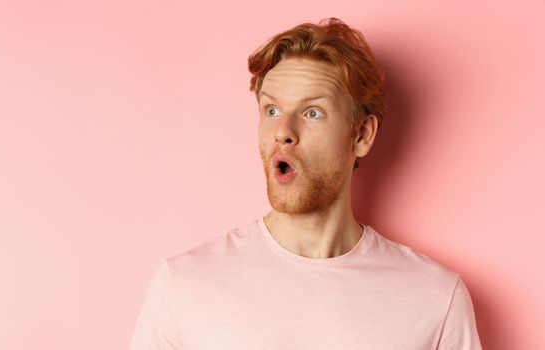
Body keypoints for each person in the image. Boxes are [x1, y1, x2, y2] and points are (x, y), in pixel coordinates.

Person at [128, 17, 482, 349]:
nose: (283, 132)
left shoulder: (434, 297)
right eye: (271, 110)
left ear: (361, 134)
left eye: (312, 112)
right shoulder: (185, 284)